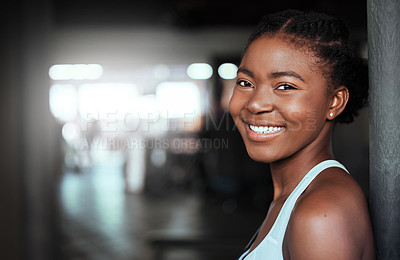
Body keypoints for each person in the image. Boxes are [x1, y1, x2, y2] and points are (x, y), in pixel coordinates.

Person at [229, 10, 375, 259]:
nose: (255, 104)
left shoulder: (322, 212)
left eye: (285, 86)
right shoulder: (293, 198)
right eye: (245, 83)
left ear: (334, 102)